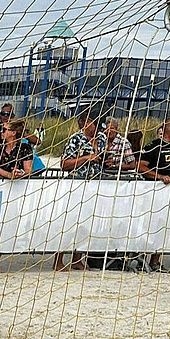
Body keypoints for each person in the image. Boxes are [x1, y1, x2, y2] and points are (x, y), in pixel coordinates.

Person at [55, 109, 107, 272]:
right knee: (69, 223)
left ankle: (77, 259)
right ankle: (58, 261)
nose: (97, 126)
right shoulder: (75, 139)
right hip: (76, 185)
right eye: (94, 122)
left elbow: (102, 159)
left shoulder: (101, 138)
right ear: (85, 122)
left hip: (96, 184)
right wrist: (85, 158)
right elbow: (64, 164)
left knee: (87, 224)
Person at [0, 118, 34, 273]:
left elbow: (29, 169)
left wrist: (20, 173)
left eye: (4, 130)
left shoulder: (25, 148)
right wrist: (9, 175)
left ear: (13, 133)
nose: (1, 132)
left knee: (7, 224)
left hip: (14, 191)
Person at [136, 116, 170, 272]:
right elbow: (140, 167)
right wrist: (160, 177)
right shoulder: (154, 146)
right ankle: (142, 258)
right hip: (157, 194)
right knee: (154, 226)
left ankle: (156, 261)